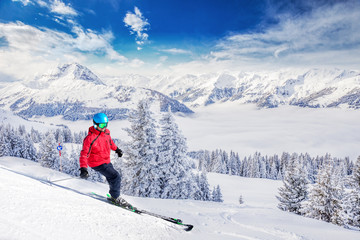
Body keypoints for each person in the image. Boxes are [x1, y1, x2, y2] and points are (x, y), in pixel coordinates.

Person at [79, 112, 127, 205]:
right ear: (95, 124)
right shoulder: (89, 138)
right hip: (96, 163)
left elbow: (110, 142)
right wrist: (83, 168)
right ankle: (115, 198)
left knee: (111, 177)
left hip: (106, 160)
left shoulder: (106, 133)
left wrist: (117, 149)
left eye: (105, 124)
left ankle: (113, 195)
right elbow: (84, 154)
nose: (104, 127)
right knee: (115, 176)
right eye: (101, 125)